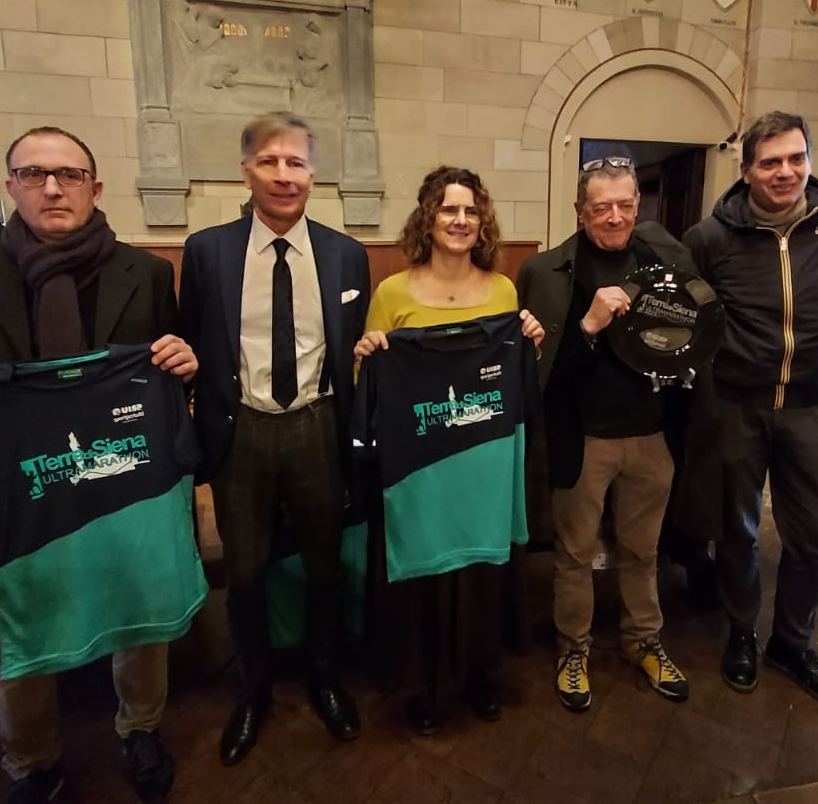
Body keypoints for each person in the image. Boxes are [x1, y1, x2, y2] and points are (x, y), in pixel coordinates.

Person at [0, 126, 198, 804]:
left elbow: (168, 367)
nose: (52, 187)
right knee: (21, 620)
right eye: (33, 173)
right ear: (10, 185)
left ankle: (142, 728)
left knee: (139, 611)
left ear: (95, 189)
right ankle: (31, 761)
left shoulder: (147, 273)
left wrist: (185, 364)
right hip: (21, 489)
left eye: (68, 174)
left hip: (123, 479)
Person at [179, 111, 369, 765]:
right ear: (247, 171)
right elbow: (191, 341)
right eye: (270, 161)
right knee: (247, 573)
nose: (284, 175)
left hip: (318, 424)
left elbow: (354, 346)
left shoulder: (346, 254)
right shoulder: (208, 252)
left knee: (324, 567)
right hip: (242, 429)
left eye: (296, 163)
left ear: (313, 174)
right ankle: (252, 690)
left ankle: (325, 677)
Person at [352, 166, 543, 734]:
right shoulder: (392, 293)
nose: (460, 221)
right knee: (424, 574)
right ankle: (422, 684)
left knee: (480, 571)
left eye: (470, 211)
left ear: (482, 222)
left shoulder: (503, 290)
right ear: (427, 219)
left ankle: (479, 674)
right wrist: (369, 353)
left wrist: (530, 343)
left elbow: (515, 377)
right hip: (421, 468)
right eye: (448, 209)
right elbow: (367, 380)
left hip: (483, 463)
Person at [683, 111, 818, 712]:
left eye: (796, 158)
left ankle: (792, 644)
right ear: (746, 170)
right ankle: (741, 631)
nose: (785, 172)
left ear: (809, 159)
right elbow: (693, 315)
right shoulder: (709, 238)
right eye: (770, 162)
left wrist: (811, 355)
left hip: (812, 405)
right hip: (738, 405)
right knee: (736, 530)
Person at [516, 156, 694, 713]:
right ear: (580, 211)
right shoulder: (545, 272)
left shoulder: (666, 261)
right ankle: (574, 650)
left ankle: (644, 640)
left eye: (624, 205)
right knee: (574, 555)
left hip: (652, 435)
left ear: (639, 206)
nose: (614, 217)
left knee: (643, 551)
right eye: (601, 208)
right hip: (583, 438)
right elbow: (541, 374)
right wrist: (589, 325)